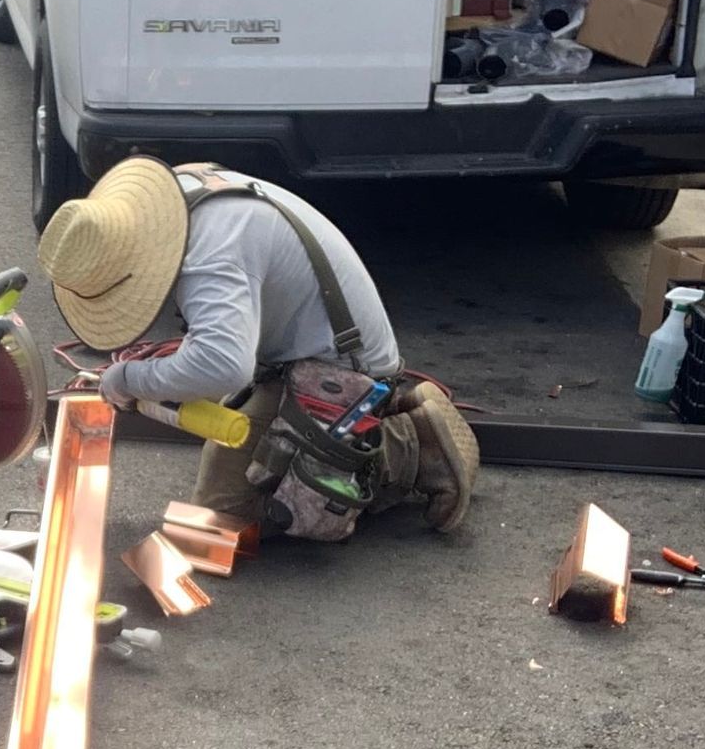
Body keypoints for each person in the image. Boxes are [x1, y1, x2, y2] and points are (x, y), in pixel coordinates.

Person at [37, 157, 479, 539]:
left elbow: (222, 365)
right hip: (298, 352)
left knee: (225, 511)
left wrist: (130, 379)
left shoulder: (206, 258)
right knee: (227, 446)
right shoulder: (181, 200)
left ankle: (406, 448)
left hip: (337, 368)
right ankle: (368, 422)